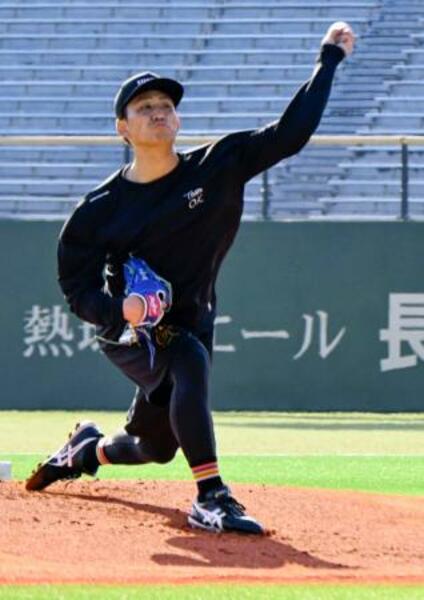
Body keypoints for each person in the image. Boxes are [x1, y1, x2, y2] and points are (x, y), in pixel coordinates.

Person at [26, 22, 355, 534]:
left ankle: (85, 451)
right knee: (188, 358)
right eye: (144, 107)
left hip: (192, 319)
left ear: (177, 118)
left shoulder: (216, 166)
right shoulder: (99, 210)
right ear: (122, 128)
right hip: (133, 330)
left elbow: (290, 134)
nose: (158, 111)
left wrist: (329, 58)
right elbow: (77, 289)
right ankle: (211, 497)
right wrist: (117, 311)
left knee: (154, 447)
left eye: (166, 105)